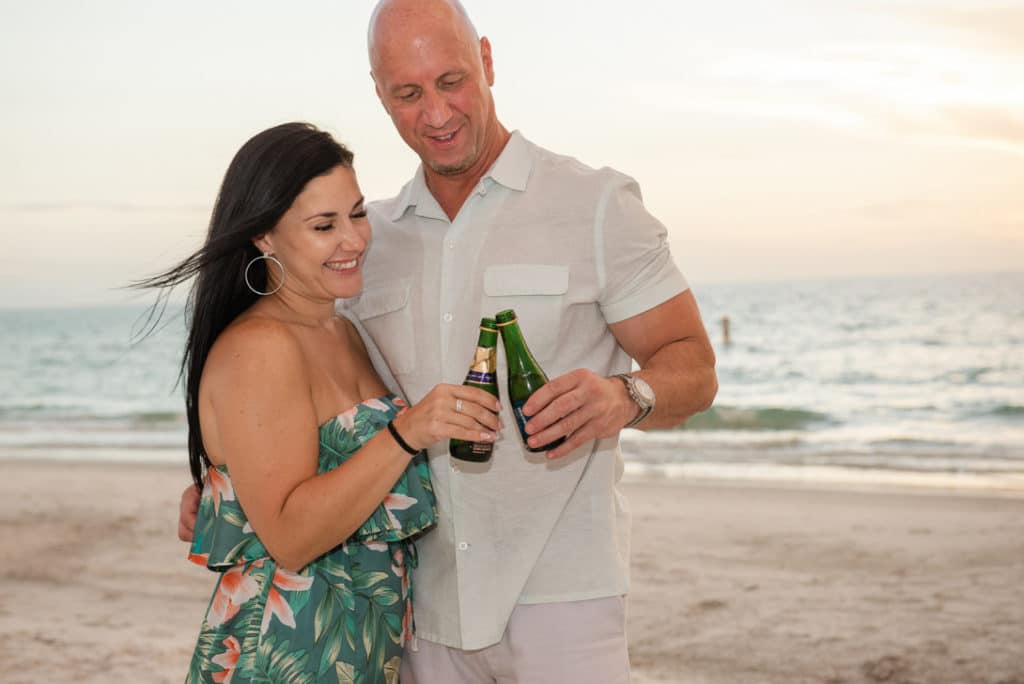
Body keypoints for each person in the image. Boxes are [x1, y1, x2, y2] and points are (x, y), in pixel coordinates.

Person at [181, 2, 718, 681]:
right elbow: (290, 383)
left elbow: (694, 367)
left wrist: (627, 395)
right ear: (380, 94)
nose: (435, 112)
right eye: (408, 93)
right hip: (417, 607)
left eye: (452, 80)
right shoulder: (366, 241)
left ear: (488, 62)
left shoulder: (596, 205)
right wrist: (231, 481)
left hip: (562, 592)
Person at [145, 122, 499, 683]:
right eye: (323, 225)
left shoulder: (342, 331)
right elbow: (290, 537)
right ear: (263, 236)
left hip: (357, 650)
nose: (354, 240)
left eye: (357, 214)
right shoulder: (260, 347)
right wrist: (407, 432)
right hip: (286, 651)